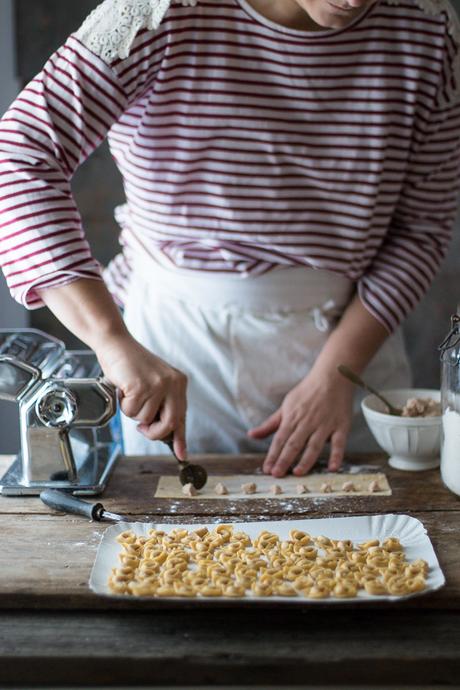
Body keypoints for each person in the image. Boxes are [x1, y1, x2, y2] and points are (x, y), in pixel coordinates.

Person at [1, 0, 459, 478]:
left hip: (352, 350)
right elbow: (20, 153)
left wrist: (335, 374)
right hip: (178, 336)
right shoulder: (159, 13)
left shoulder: (427, 26)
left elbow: (421, 227)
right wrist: (111, 341)